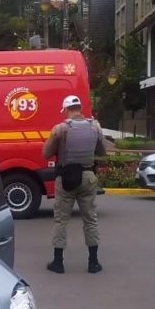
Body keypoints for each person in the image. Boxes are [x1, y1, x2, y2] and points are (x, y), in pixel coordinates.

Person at [42, 95, 106, 274]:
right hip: (88, 176)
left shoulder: (60, 129)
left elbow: (45, 153)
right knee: (90, 220)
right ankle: (93, 263)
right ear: (79, 108)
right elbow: (102, 151)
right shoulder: (95, 126)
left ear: (66, 110)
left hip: (66, 178)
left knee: (61, 220)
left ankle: (58, 262)